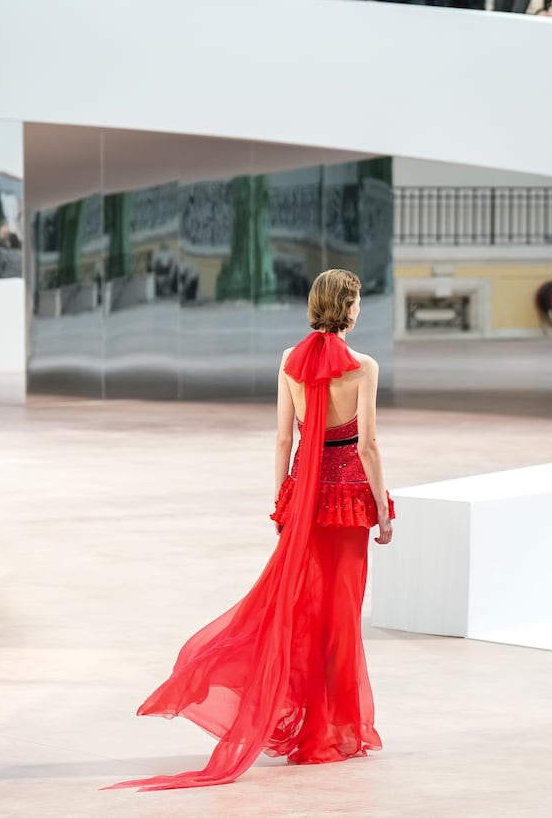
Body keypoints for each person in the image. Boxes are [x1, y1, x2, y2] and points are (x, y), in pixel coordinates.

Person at [109, 269, 392, 792]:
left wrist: (284, 498)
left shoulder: (289, 361)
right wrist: (384, 508)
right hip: (349, 504)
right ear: (348, 308)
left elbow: (284, 440)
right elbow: (368, 446)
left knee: (299, 610)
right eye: (356, 301)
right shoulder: (364, 368)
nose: (358, 310)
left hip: (305, 502)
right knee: (340, 616)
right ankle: (335, 730)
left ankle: (308, 723)